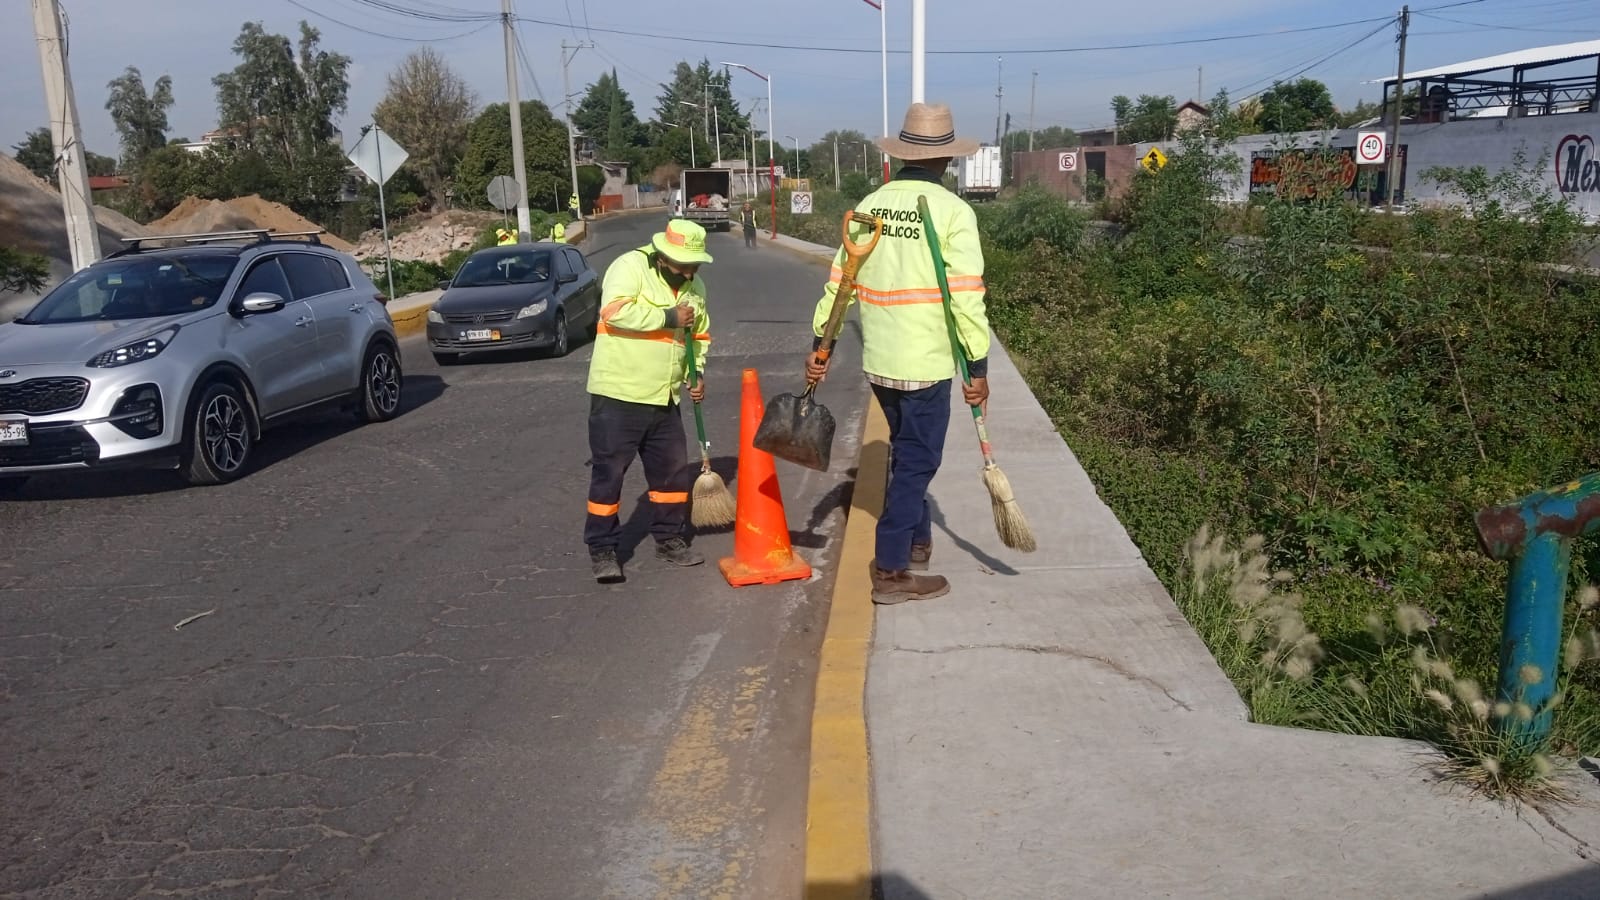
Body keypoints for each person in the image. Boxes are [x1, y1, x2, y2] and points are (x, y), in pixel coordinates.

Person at [804, 102, 991, 605]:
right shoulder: (953, 212)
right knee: (916, 463)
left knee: (906, 450)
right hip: (926, 362)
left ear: (902, 155)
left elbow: (840, 286)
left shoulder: (871, 205)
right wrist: (978, 368)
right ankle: (890, 572)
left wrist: (822, 343)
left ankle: (918, 541)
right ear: (947, 160)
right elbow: (966, 298)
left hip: (881, 360)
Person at [585, 219, 714, 584]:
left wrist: (696, 371)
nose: (689, 271)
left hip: (665, 396)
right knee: (609, 475)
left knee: (672, 474)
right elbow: (613, 311)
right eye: (683, 264)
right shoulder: (629, 267)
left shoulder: (696, 285)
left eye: (694, 264)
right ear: (662, 256)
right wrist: (667, 317)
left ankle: (669, 539)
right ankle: (603, 549)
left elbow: (700, 334)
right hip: (618, 394)